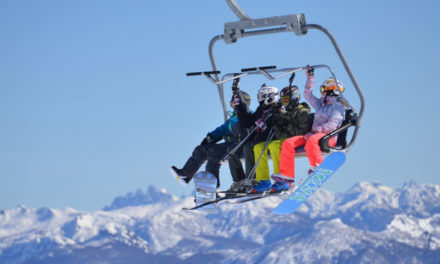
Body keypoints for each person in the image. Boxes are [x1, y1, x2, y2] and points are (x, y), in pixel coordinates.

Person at [271, 66, 345, 183]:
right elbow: (307, 95)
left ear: (331, 90)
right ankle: (287, 174)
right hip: (312, 135)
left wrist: (315, 131)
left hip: (328, 137)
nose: (322, 93)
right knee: (288, 143)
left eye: (324, 90)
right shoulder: (321, 104)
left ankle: (318, 166)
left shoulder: (338, 107)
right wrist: (310, 77)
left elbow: (332, 125)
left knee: (312, 140)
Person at [170, 91, 254, 191]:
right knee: (202, 150)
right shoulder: (234, 117)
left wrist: (212, 137)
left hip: (239, 146)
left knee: (212, 151)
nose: (232, 105)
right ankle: (186, 175)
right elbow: (222, 129)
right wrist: (209, 137)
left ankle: (211, 183)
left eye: (233, 102)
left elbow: (227, 129)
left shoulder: (246, 115)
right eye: (231, 102)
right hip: (233, 144)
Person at [264, 85, 313, 192]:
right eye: (282, 101)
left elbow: (298, 132)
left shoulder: (302, 112)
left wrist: (283, 122)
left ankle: (285, 180)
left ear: (294, 98)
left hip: (301, 139)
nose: (284, 103)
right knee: (273, 145)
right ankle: (281, 178)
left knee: (280, 144)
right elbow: (280, 134)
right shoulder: (288, 114)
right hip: (290, 140)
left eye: (286, 100)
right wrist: (277, 119)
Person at [234, 85, 281, 193]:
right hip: (261, 141)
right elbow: (247, 122)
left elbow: (278, 125)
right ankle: (262, 180)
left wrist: (265, 125)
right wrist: (239, 106)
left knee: (256, 147)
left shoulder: (276, 110)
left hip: (273, 139)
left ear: (269, 96)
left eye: (261, 96)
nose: (259, 99)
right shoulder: (261, 110)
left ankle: (279, 179)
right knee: (252, 147)